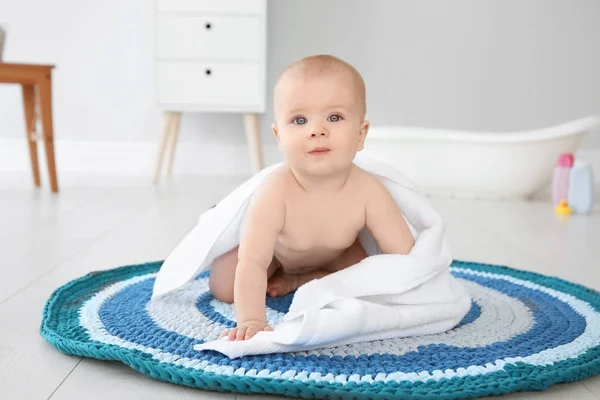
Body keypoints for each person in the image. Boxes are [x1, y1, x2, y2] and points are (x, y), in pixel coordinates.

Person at [209, 54, 415, 341]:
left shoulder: (368, 190)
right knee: (224, 285)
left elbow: (404, 255)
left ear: (361, 134)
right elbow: (254, 262)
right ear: (279, 137)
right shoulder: (275, 192)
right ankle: (226, 221)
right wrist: (253, 319)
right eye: (300, 119)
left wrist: (411, 288)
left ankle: (309, 278)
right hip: (276, 256)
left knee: (365, 279)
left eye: (334, 117)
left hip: (338, 255)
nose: (317, 130)